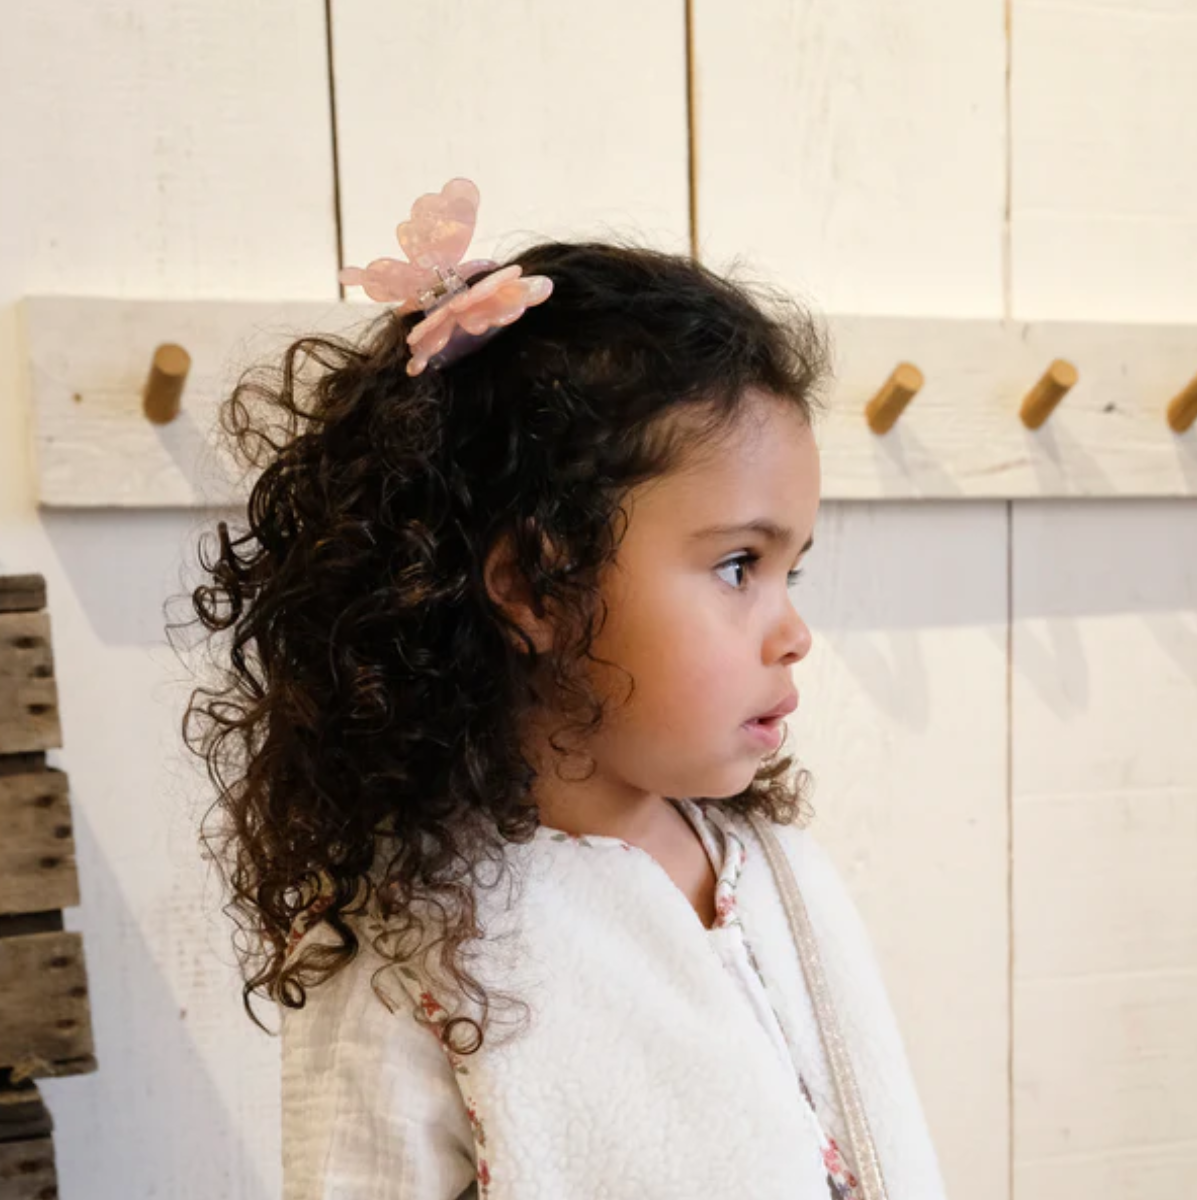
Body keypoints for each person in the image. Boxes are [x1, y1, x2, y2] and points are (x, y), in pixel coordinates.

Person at [181, 178, 948, 1200]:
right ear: (537, 588)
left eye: (789, 571)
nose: (795, 634)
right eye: (738, 567)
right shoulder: (417, 944)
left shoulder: (779, 875)